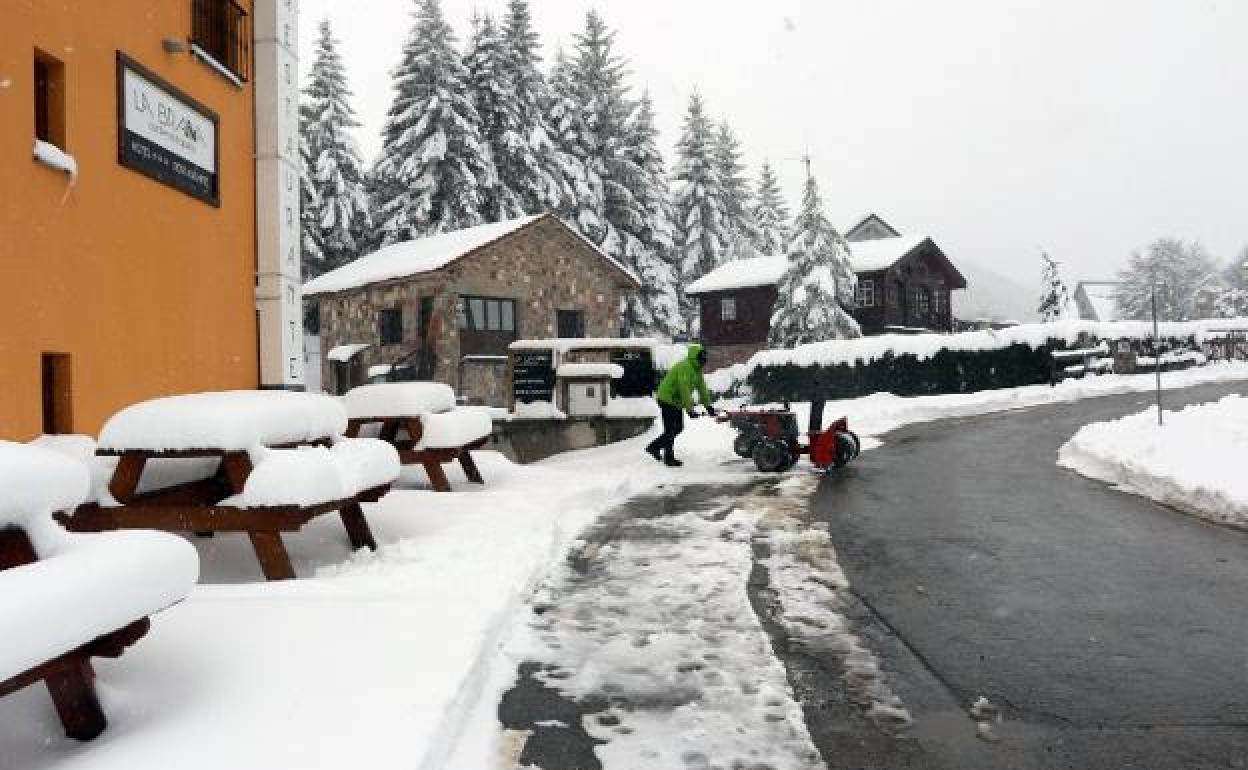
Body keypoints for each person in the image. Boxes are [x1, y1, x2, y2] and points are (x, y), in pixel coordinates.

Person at [646, 343, 717, 467]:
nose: (704, 362)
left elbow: (702, 389)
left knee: (678, 427)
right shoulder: (685, 367)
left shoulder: (697, 370)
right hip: (667, 398)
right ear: (696, 357)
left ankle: (654, 447)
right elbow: (684, 389)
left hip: (676, 401)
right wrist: (690, 409)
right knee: (670, 430)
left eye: (705, 359)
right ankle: (669, 458)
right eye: (702, 359)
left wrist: (708, 406)